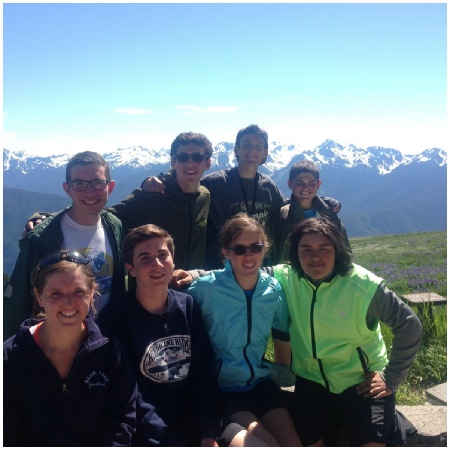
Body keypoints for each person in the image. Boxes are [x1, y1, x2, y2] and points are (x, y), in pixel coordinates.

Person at [96, 224, 261, 446]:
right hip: (146, 431)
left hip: (197, 421)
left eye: (163, 255)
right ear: (131, 269)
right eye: (145, 258)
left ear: (173, 260)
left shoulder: (187, 306)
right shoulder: (115, 317)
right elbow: (128, 393)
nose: (156, 264)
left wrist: (207, 433)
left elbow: (203, 373)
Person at [266, 217, 422, 446]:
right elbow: (244, 269)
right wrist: (198, 275)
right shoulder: (286, 277)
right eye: (306, 249)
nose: (315, 257)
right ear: (296, 253)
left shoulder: (363, 285)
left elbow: (410, 324)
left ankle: (390, 419)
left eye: (324, 249)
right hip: (311, 382)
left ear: (338, 250)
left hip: (361, 382)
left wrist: (391, 378)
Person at [142, 124, 342, 270]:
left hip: (260, 269)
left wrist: (324, 203)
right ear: (236, 149)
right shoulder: (215, 183)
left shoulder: (268, 186)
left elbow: (292, 207)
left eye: (258, 146)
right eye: (246, 145)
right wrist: (156, 180)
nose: (252, 151)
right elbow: (186, 181)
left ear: (265, 154)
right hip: (219, 270)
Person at [185, 214, 302, 446]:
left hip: (261, 383)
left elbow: (281, 332)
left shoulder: (273, 289)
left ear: (264, 248)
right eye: (239, 249)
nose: (249, 255)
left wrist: (283, 372)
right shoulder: (205, 289)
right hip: (222, 388)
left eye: (256, 247)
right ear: (226, 252)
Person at [3, 251, 137, 446]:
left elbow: (121, 422)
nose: (69, 302)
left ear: (92, 293)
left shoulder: (110, 352)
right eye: (56, 293)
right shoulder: (10, 358)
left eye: (78, 292)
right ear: (39, 297)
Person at [3, 151, 126, 340]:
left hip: (106, 337)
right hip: (59, 341)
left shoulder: (114, 226)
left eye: (97, 183)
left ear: (110, 186)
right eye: (79, 184)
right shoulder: (42, 239)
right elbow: (19, 301)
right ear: (67, 189)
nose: (90, 191)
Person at [108, 131, 212, 271]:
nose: (190, 163)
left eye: (197, 157)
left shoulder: (204, 197)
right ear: (173, 162)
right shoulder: (152, 196)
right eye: (183, 157)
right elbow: (108, 217)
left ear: (208, 163)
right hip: (154, 287)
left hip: (194, 285)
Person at [270, 160, 351, 264]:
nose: (305, 187)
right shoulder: (281, 216)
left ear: (318, 184)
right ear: (290, 184)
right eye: (299, 182)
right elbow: (272, 250)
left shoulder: (330, 216)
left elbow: (345, 250)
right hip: (290, 277)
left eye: (311, 183)